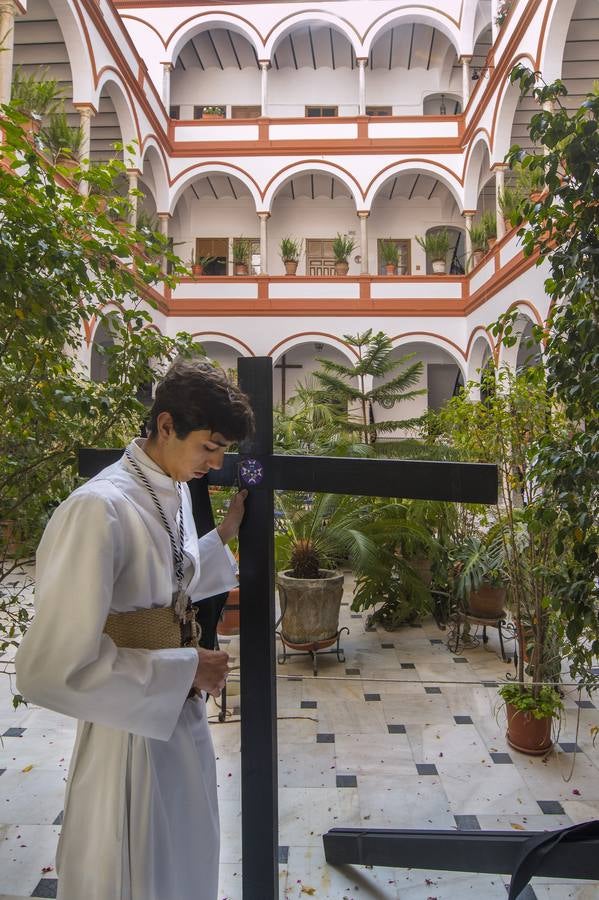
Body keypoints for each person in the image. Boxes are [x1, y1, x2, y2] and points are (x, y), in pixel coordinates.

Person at [15, 359, 255, 900]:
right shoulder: (97, 510)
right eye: (209, 447)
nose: (215, 464)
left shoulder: (166, 490)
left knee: (185, 859)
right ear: (165, 426)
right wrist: (186, 665)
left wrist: (223, 534)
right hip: (127, 732)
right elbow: (48, 670)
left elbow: (172, 579)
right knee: (139, 868)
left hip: (174, 713)